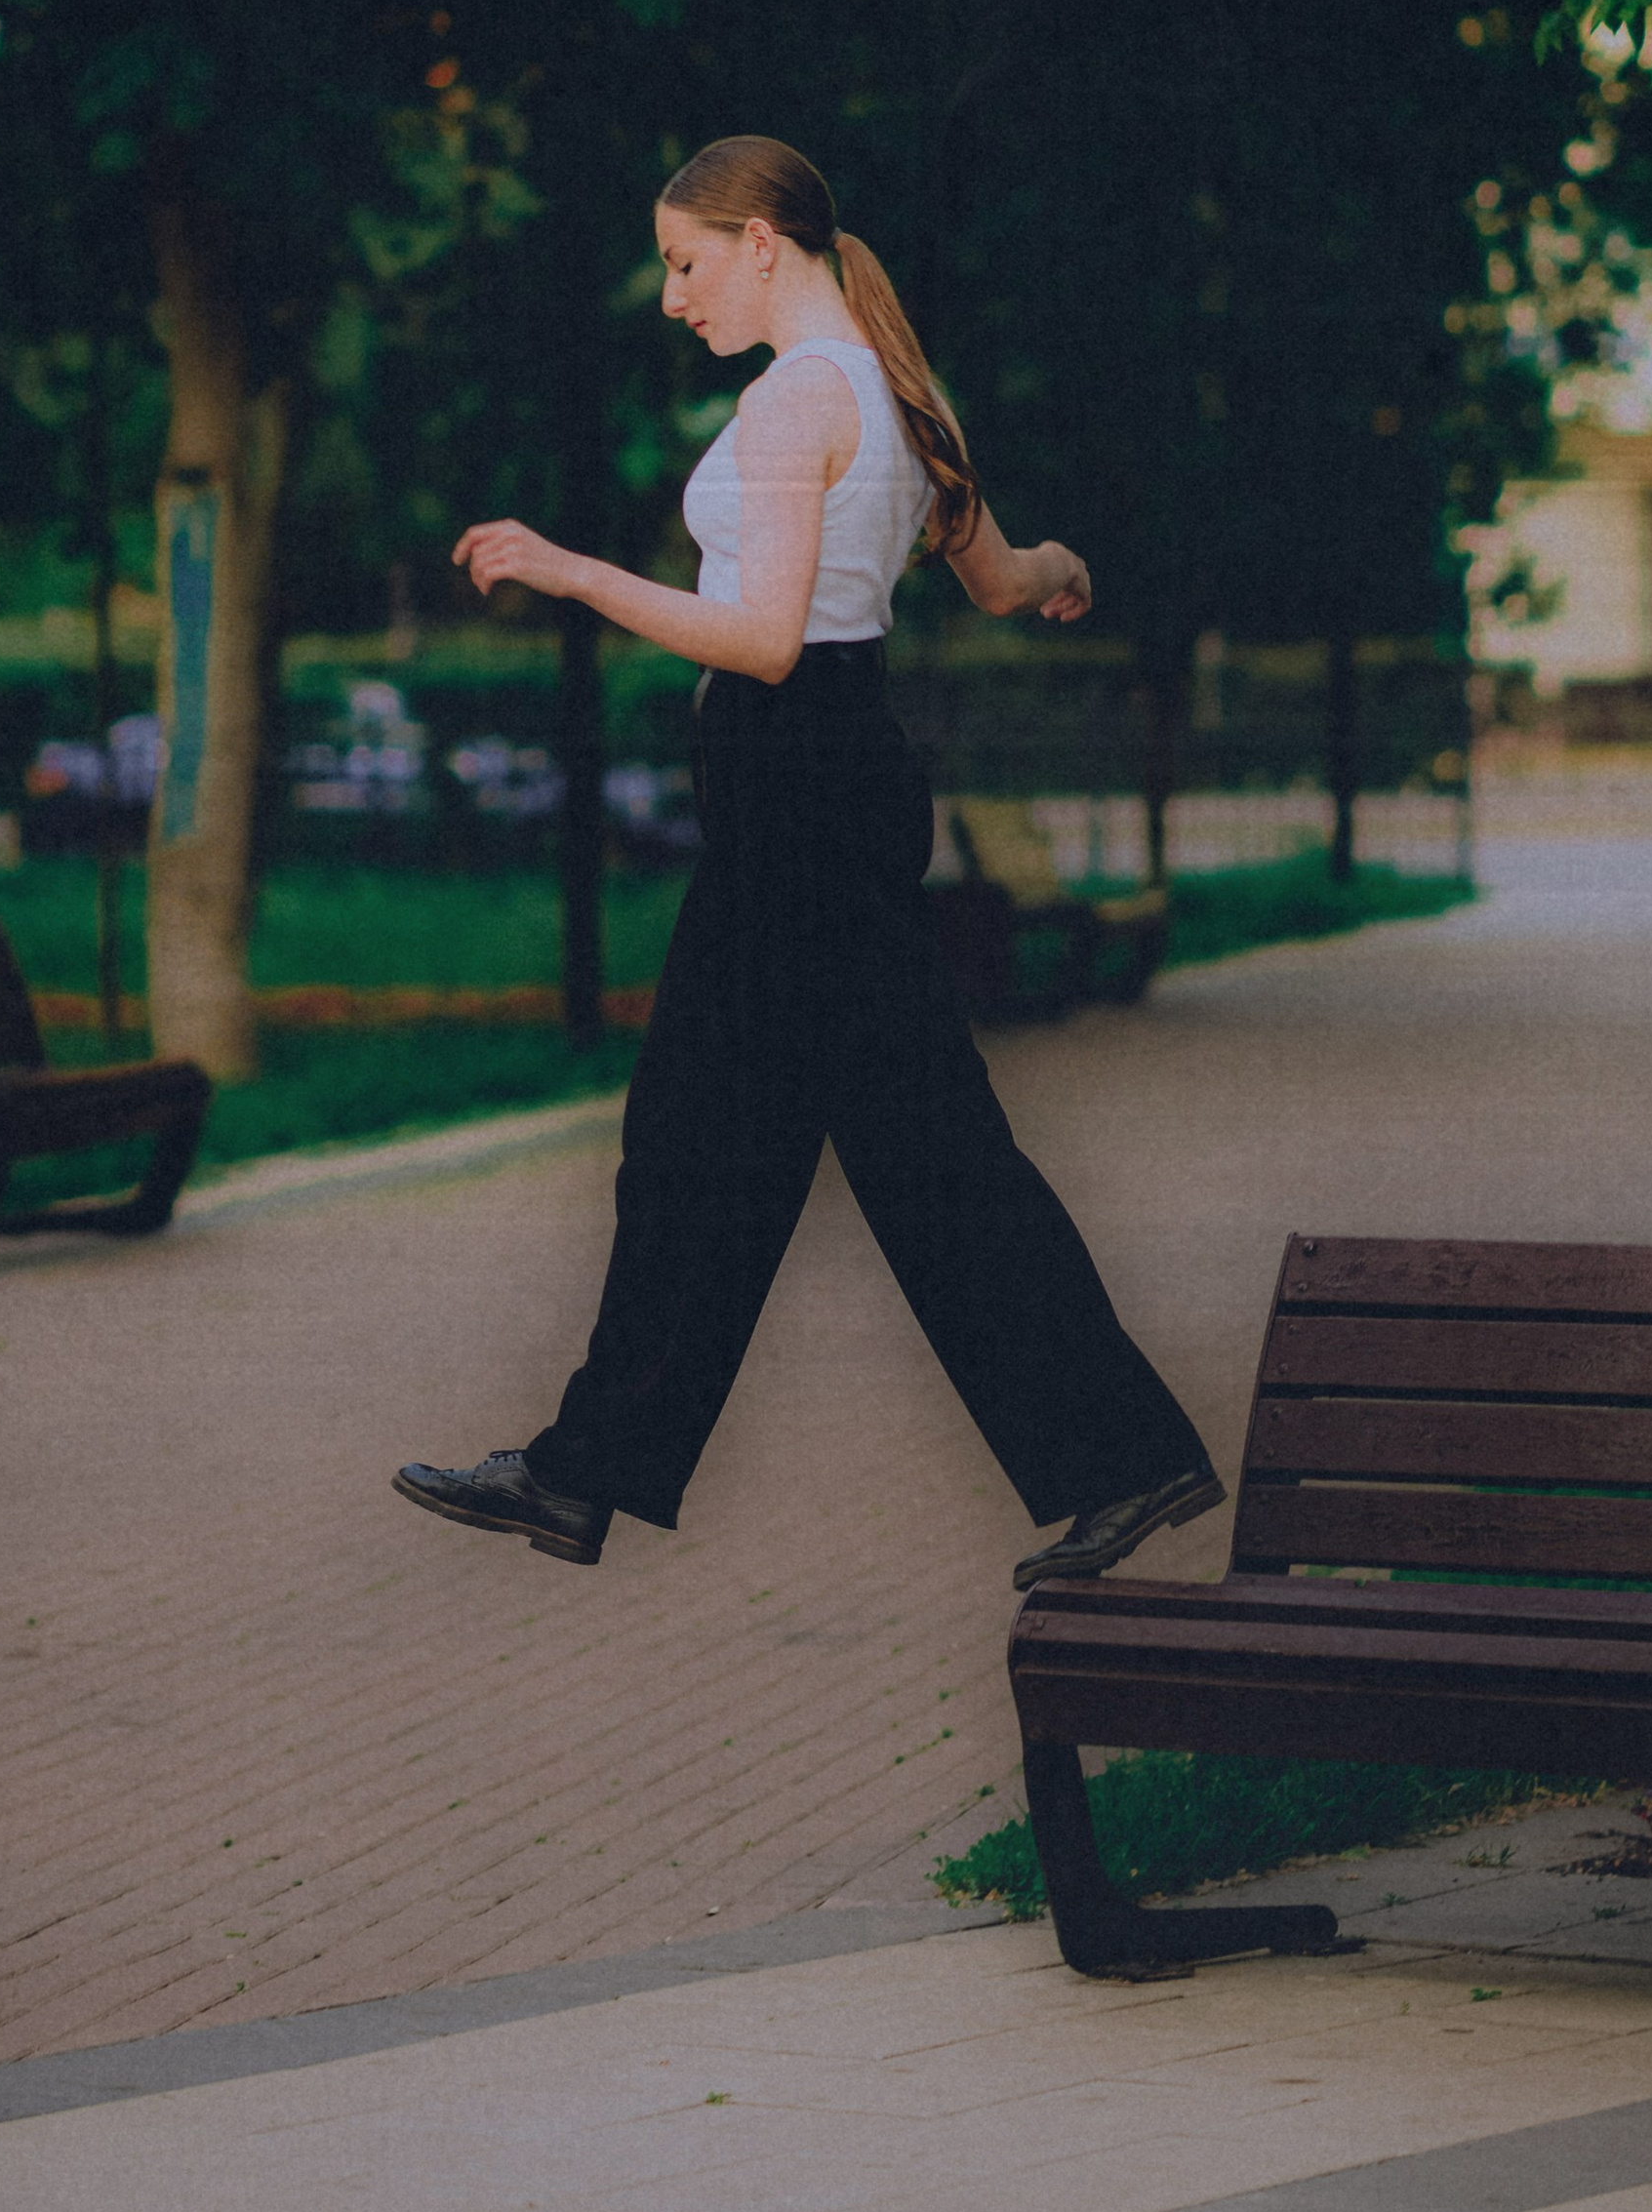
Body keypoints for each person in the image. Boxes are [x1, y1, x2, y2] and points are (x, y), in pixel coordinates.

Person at [394, 134, 1221, 1588]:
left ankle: (1118, 1458)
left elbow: (768, 640)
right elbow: (992, 565)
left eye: (686, 262)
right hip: (827, 788)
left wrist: (567, 568)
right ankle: (590, 1472)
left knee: (859, 1152)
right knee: (753, 1145)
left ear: (762, 241)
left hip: (795, 792)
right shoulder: (898, 388)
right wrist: (1060, 573)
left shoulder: (797, 405)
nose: (673, 296)